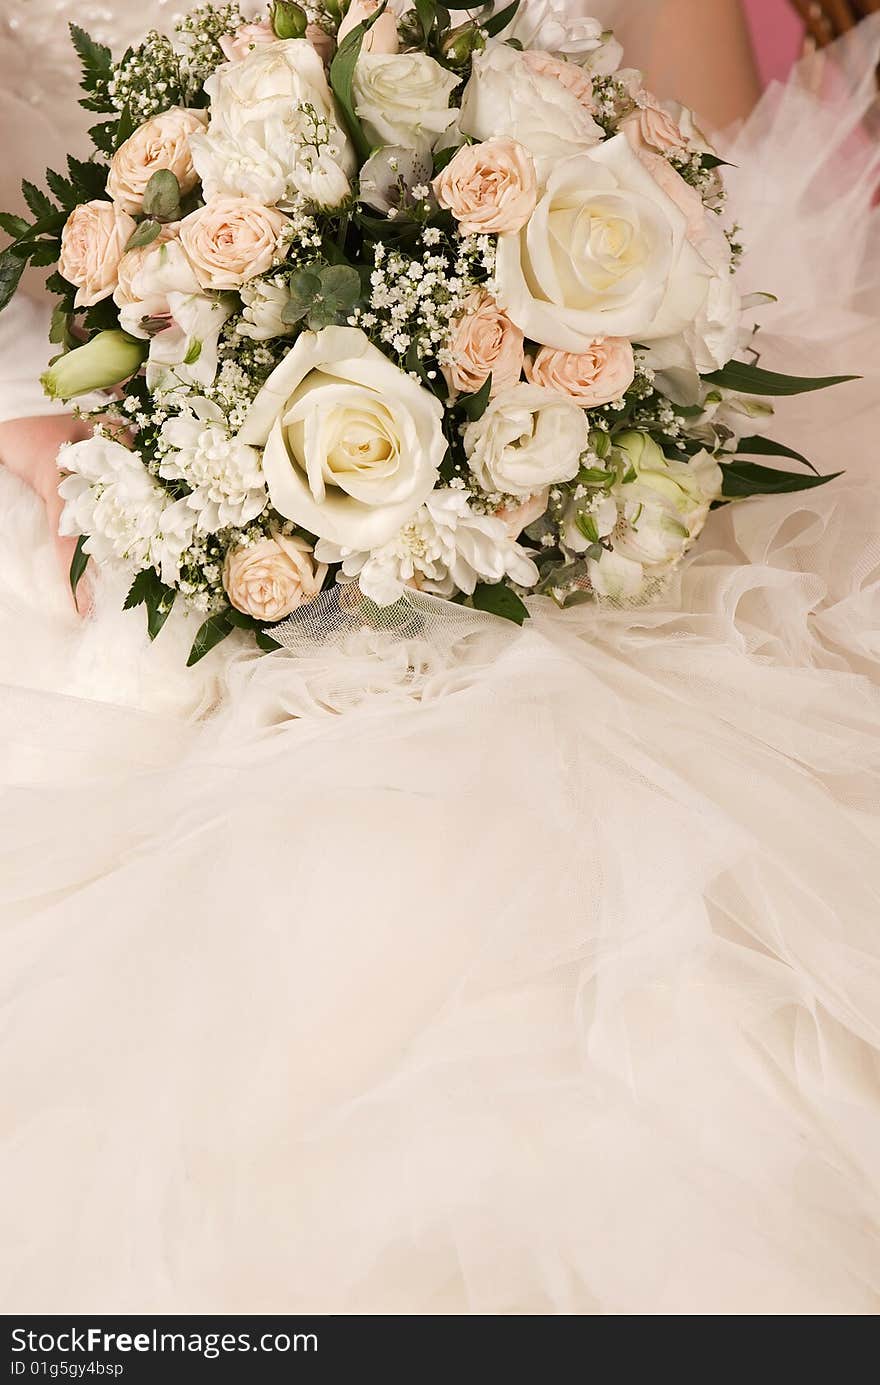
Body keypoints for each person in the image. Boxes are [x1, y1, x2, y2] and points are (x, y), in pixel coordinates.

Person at [1, 1, 879, 1315]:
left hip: (569, 430)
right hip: (104, 440)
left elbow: (706, 175)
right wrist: (42, 413)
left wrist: (610, 375)